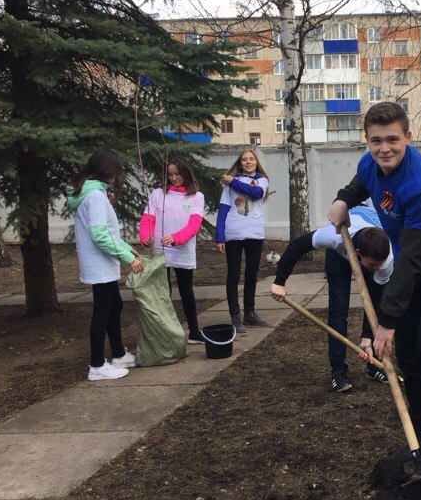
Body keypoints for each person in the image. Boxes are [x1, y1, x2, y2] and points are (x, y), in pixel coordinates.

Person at [327, 102, 421, 481]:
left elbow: (410, 261)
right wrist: (343, 199)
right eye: (376, 140)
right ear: (367, 140)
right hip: (413, 262)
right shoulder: (369, 164)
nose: (384, 148)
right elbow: (361, 183)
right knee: (407, 351)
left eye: (393, 139)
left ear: (408, 137)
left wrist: (387, 321)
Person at [270, 204, 394, 392]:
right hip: (339, 253)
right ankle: (338, 371)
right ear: (359, 254)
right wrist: (279, 282)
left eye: (380, 265)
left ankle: (374, 364)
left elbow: (376, 301)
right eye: (374, 264)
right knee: (338, 308)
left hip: (368, 246)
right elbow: (297, 245)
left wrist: (367, 338)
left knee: (375, 303)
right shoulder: (332, 237)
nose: (378, 268)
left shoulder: (385, 260)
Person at [65, 149, 143, 381]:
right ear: (109, 172)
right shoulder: (95, 196)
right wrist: (128, 258)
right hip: (99, 263)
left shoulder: (91, 193)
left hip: (102, 261)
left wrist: (125, 246)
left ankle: (118, 354)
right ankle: (97, 366)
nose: (117, 178)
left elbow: (105, 232)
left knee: (115, 305)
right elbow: (99, 236)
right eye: (117, 173)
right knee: (103, 311)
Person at [139, 157, 206, 345]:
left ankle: (194, 331)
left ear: (186, 173)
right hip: (159, 250)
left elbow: (194, 226)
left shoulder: (196, 197)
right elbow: (147, 220)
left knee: (187, 292)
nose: (174, 178)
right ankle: (166, 334)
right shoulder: (158, 194)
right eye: (170, 174)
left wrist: (175, 238)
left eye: (177, 174)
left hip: (181, 249)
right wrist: (146, 237)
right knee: (163, 293)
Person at [215, 150, 269, 334]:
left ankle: (250, 312)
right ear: (240, 163)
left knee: (252, 275)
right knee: (233, 275)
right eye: (244, 159)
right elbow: (222, 210)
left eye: (251, 159)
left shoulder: (262, 180)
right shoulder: (229, 185)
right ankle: (235, 316)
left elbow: (254, 193)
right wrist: (219, 236)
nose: (248, 162)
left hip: (254, 233)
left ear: (256, 162)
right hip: (234, 234)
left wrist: (232, 181)